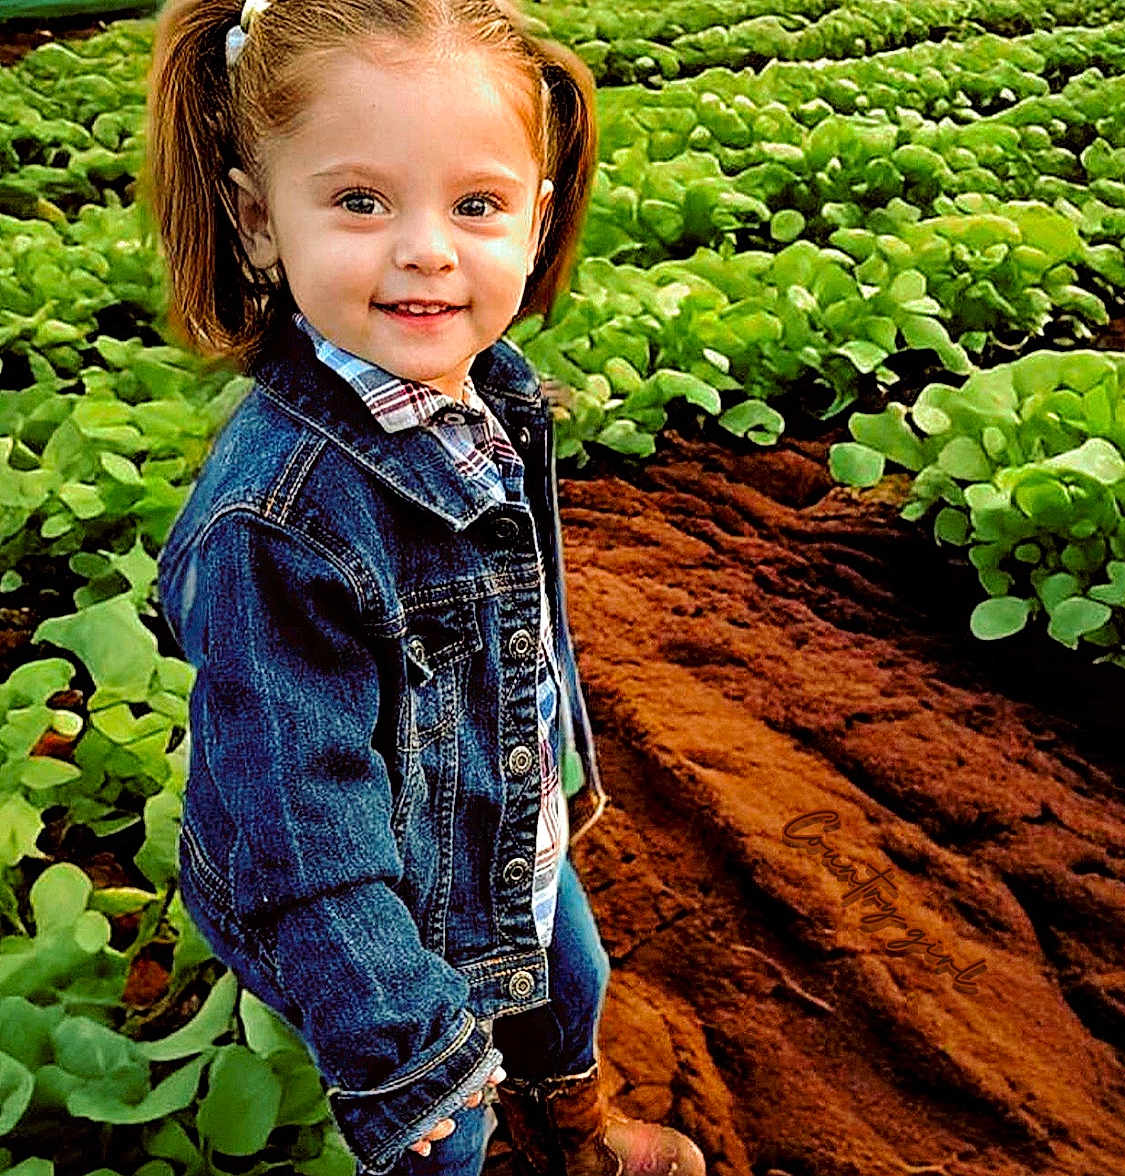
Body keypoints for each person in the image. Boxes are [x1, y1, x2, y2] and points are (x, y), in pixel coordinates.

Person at [142, 2, 707, 1175]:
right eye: (359, 202)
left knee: (571, 982)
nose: (427, 250)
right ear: (258, 220)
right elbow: (302, 830)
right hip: (369, 914)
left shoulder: (486, 386)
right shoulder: (277, 519)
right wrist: (399, 1042)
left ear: (536, 220)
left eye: (477, 205)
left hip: (495, 822)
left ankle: (582, 1131)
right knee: (446, 1130)